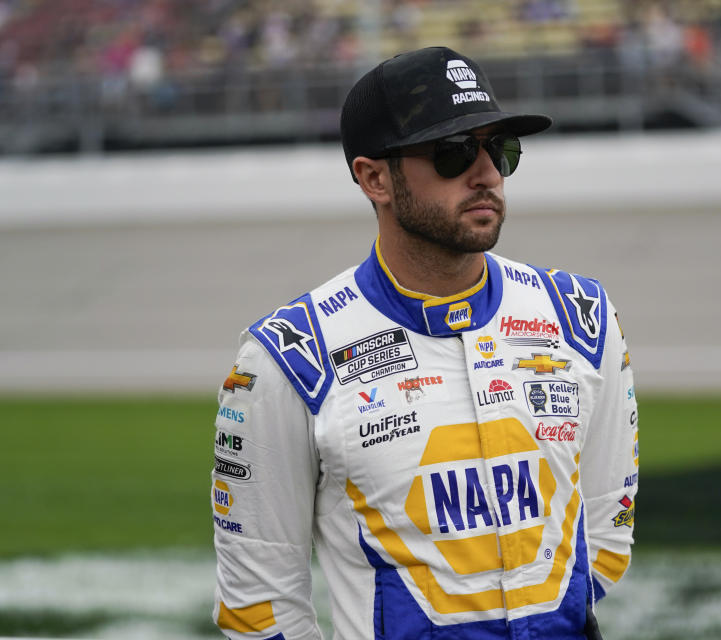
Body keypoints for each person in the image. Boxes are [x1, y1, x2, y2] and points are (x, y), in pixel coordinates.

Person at [210, 46, 638, 640]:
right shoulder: (288, 355)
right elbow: (257, 609)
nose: (485, 171)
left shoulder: (582, 317)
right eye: (453, 152)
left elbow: (606, 539)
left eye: (498, 148)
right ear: (374, 178)